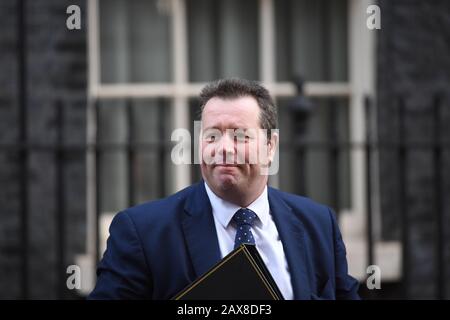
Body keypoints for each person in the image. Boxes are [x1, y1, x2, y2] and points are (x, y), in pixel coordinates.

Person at [88, 78, 360, 300]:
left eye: (240, 135)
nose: (224, 148)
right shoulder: (143, 233)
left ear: (270, 146)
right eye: (212, 135)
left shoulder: (318, 223)